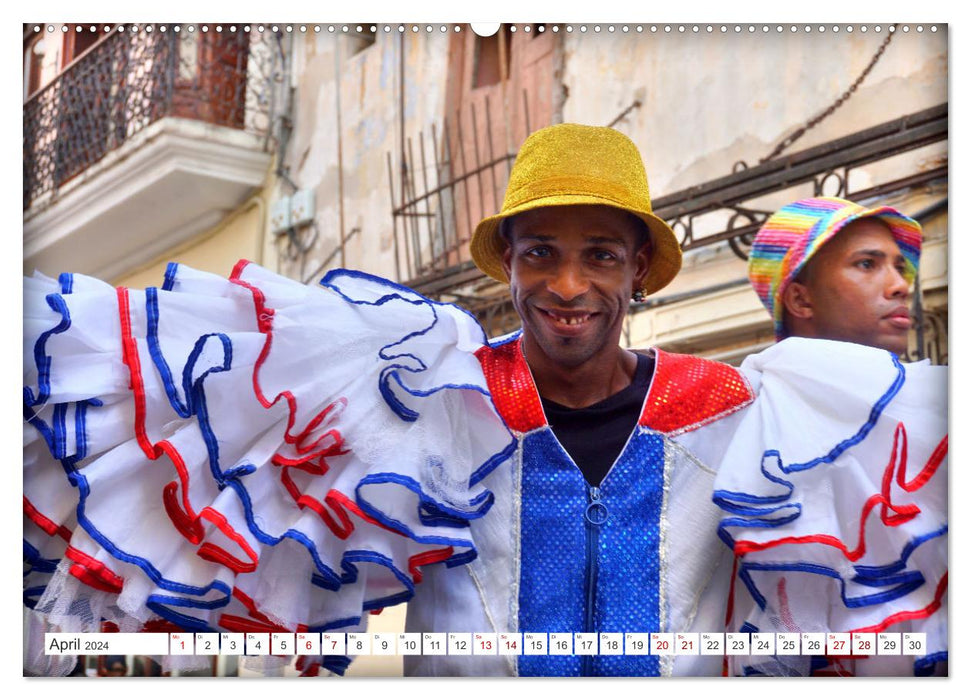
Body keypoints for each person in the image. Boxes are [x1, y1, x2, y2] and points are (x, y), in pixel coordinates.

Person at [23, 123, 754, 678]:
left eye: (599, 255)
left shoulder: (731, 411)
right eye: (539, 252)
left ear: (638, 273)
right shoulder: (432, 394)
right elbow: (184, 396)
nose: (566, 286)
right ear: (507, 264)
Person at [709, 196, 947, 676]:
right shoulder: (745, 421)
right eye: (867, 264)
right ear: (800, 299)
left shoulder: (937, 405)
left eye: (899, 268)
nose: (901, 286)